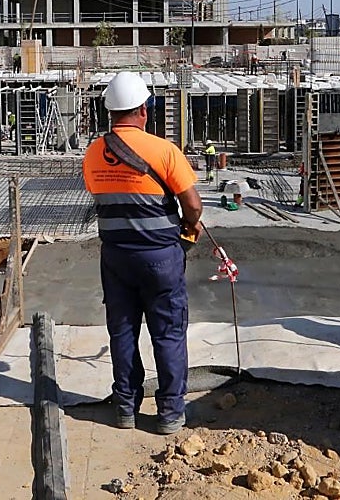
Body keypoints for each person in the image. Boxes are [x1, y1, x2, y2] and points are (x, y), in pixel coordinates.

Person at [83, 71, 203, 435]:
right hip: (160, 257)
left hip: (116, 258)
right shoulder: (164, 151)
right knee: (168, 334)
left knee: (122, 332)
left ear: (110, 112)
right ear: (143, 110)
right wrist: (189, 227)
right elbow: (193, 206)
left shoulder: (93, 153)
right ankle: (169, 414)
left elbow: (100, 193)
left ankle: (125, 409)